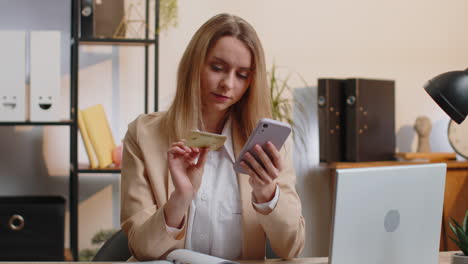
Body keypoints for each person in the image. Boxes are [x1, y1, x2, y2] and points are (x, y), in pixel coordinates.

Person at [120, 13, 305, 261]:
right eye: (217, 68)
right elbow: (142, 249)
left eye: (242, 75)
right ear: (193, 65)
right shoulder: (144, 135)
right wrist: (180, 198)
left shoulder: (268, 146)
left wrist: (267, 194)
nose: (228, 84)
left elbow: (291, 249)